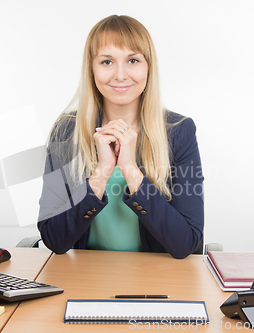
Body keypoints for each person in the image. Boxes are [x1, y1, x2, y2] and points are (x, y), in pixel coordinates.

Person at [37, 15, 204, 259]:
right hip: (84, 277)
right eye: (106, 62)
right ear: (91, 68)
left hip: (156, 279)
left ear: (148, 66)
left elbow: (186, 243)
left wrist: (131, 171)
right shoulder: (66, 131)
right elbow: (54, 240)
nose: (120, 74)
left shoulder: (178, 131)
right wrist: (102, 172)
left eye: (133, 60)